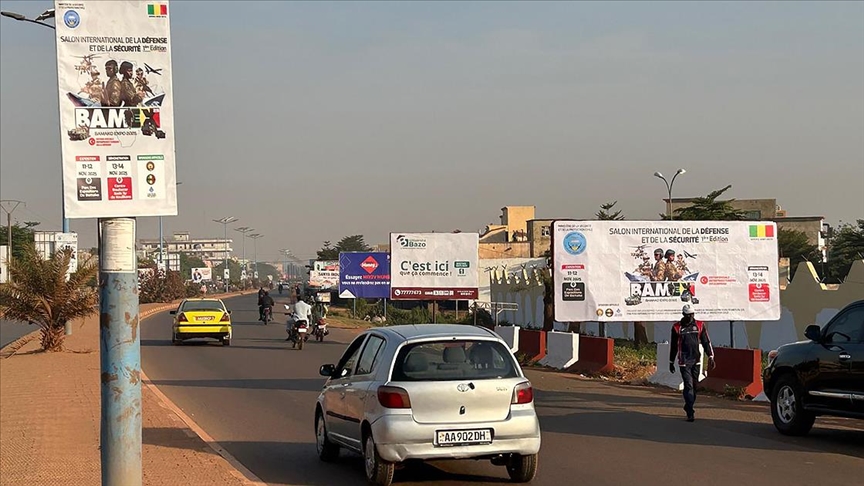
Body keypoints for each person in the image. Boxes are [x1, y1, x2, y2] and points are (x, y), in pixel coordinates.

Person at [669, 304, 715, 422]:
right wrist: (671, 361)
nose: (690, 317)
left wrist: (710, 356)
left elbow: (706, 341)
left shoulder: (700, 325)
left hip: (696, 360)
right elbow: (673, 346)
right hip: (684, 361)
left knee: (695, 387)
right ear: (683, 315)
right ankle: (690, 412)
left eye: (692, 314)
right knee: (688, 385)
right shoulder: (676, 327)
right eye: (688, 315)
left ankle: (688, 405)